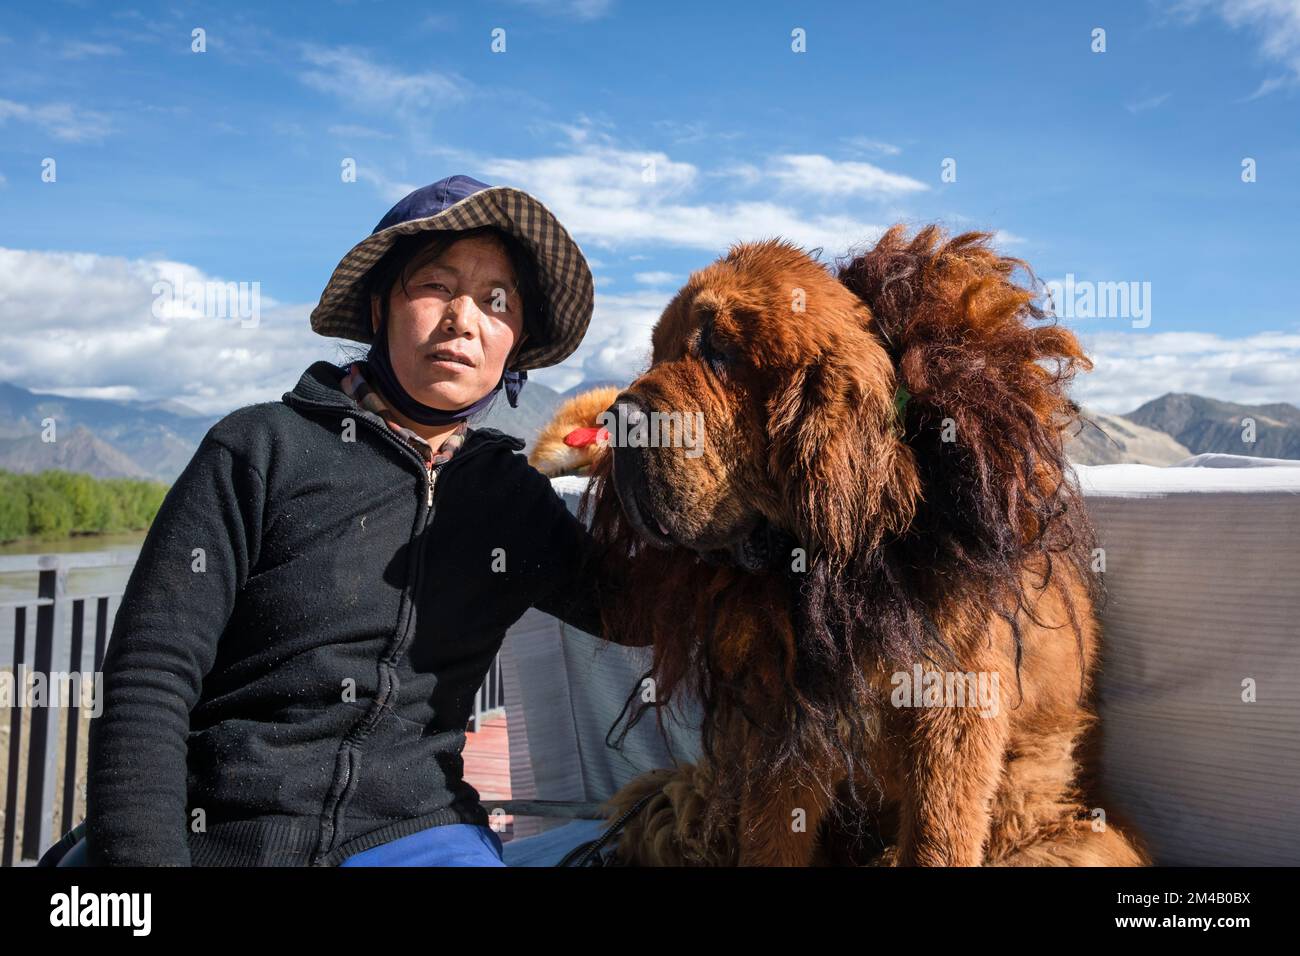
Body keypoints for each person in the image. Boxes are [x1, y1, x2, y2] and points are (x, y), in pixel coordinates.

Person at [46, 174, 618, 866]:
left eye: (497, 300)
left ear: (515, 340)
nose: (464, 318)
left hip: (417, 833)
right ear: (379, 307)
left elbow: (640, 611)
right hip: (221, 831)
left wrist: (648, 474)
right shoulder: (260, 449)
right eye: (434, 287)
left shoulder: (512, 500)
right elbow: (150, 677)